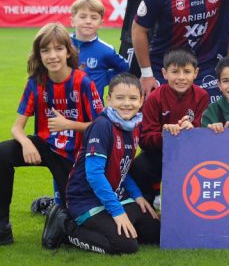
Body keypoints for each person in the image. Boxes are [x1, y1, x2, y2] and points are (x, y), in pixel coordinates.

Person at [0, 23, 103, 245]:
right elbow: (17, 127)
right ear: (39, 55)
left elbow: (101, 126)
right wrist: (26, 143)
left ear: (68, 51)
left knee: (77, 217)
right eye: (45, 50)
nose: (52, 55)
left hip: (75, 154)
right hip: (45, 146)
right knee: (2, 153)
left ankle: (53, 207)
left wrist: (69, 124)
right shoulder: (36, 83)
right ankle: (2, 228)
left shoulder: (83, 81)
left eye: (58, 49)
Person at [44, 74, 160, 254]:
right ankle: (66, 227)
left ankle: (113, 220)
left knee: (155, 232)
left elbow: (122, 167)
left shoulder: (135, 125)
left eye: (132, 98)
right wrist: (117, 212)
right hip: (86, 201)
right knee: (125, 245)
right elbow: (94, 175)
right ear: (109, 99)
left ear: (141, 101)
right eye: (120, 98)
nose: (126, 103)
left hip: (115, 197)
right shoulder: (102, 126)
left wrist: (137, 196)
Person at [129, 49, 209, 205]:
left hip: (189, 154)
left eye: (187, 72)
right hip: (160, 153)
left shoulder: (202, 96)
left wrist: (191, 129)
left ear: (196, 73)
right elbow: (144, 139)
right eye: (175, 72)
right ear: (165, 73)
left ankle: (191, 205)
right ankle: (147, 202)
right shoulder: (154, 98)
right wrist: (165, 134)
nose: (181, 78)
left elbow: (204, 133)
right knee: (139, 166)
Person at [70, 0, 129, 98]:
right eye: (83, 17)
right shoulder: (61, 44)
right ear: (72, 21)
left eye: (94, 18)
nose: (88, 21)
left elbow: (124, 67)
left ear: (100, 23)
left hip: (93, 111)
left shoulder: (106, 50)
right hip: (63, 108)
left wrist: (105, 78)